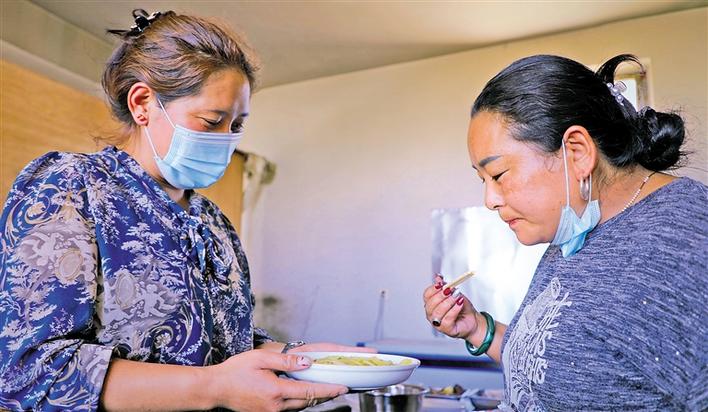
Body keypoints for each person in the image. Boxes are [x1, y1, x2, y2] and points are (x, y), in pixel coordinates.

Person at [0, 9, 367, 412]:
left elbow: (225, 345)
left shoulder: (212, 222)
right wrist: (213, 388)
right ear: (142, 103)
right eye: (212, 121)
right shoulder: (71, 188)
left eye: (237, 126)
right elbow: (28, 373)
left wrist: (300, 358)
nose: (226, 140)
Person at [423, 54, 707, 411]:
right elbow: (568, 368)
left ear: (577, 152)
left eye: (497, 175)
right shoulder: (579, 230)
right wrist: (477, 329)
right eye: (483, 180)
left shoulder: (684, 245)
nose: (490, 200)